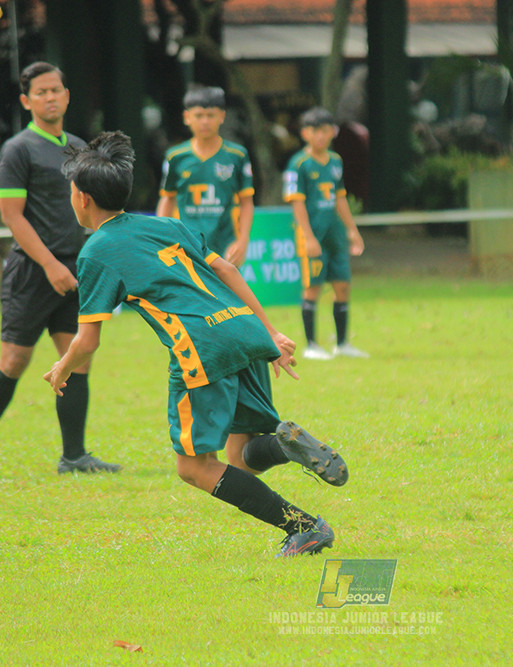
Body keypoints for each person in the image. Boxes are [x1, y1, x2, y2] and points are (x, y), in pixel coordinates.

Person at [47, 130, 347, 557]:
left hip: (202, 348)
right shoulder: (165, 223)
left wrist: (62, 367)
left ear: (82, 199)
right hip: (243, 330)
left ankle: (306, 527)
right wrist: (270, 333)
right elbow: (226, 269)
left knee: (194, 468)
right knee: (239, 456)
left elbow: (88, 339)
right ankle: (282, 444)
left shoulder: (96, 251)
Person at [0, 62, 120, 476]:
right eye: (40, 92)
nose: (50, 97)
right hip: (32, 271)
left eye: (56, 90)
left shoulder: (80, 148)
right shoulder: (17, 149)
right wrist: (49, 265)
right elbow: (13, 216)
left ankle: (74, 456)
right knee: (14, 360)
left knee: (78, 358)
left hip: (75, 271)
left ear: (66, 95)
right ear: (27, 101)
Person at [283, 107, 368, 360]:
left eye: (325, 131)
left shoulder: (335, 161)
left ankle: (342, 344)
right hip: (314, 236)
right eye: (315, 131)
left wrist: (352, 230)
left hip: (335, 235)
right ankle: (311, 345)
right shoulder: (298, 164)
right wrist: (308, 237)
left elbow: (340, 197)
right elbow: (296, 202)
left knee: (342, 286)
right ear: (304, 133)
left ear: (332, 132)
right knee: (313, 288)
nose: (321, 136)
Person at [156, 86, 253, 267]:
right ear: (187, 118)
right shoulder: (175, 157)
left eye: (211, 115)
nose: (205, 121)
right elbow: (167, 199)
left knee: (226, 295)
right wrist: (163, 237)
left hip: (226, 244)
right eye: (199, 115)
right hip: (185, 244)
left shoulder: (237, 155)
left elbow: (247, 201)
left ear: (222, 116)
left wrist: (243, 240)